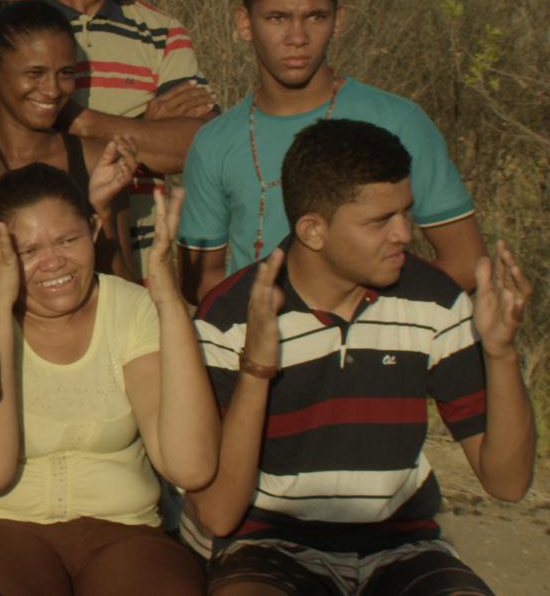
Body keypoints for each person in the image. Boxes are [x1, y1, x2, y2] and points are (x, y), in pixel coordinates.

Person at [186, 119, 533, 596]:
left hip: (404, 549)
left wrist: (501, 352)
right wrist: (258, 369)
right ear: (313, 230)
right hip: (270, 549)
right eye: (380, 221)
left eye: (406, 213)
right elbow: (218, 514)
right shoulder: (230, 316)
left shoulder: (435, 300)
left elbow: (508, 483)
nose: (404, 234)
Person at [0, 166, 216, 596]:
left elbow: (189, 466)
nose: (54, 262)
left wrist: (168, 300)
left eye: (68, 240)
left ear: (94, 230)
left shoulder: (132, 308)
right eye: (27, 250)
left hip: (120, 530)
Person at [177, 0, 484, 303]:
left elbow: (466, 262)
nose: (297, 37)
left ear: (338, 21)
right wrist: (270, 318)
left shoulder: (398, 121)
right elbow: (199, 279)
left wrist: (376, 320)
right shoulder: (214, 143)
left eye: (315, 17)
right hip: (260, 334)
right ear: (245, 23)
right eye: (277, 18)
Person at [23, 0, 215, 275]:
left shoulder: (162, 32)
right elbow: (2, 148)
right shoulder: (9, 29)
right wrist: (146, 131)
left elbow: (201, 146)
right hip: (37, 270)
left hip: (144, 271)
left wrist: (79, 121)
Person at [0, 0, 139, 278]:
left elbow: (125, 289)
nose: (53, 90)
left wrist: (102, 213)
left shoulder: (96, 161)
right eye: (35, 73)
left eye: (65, 73)